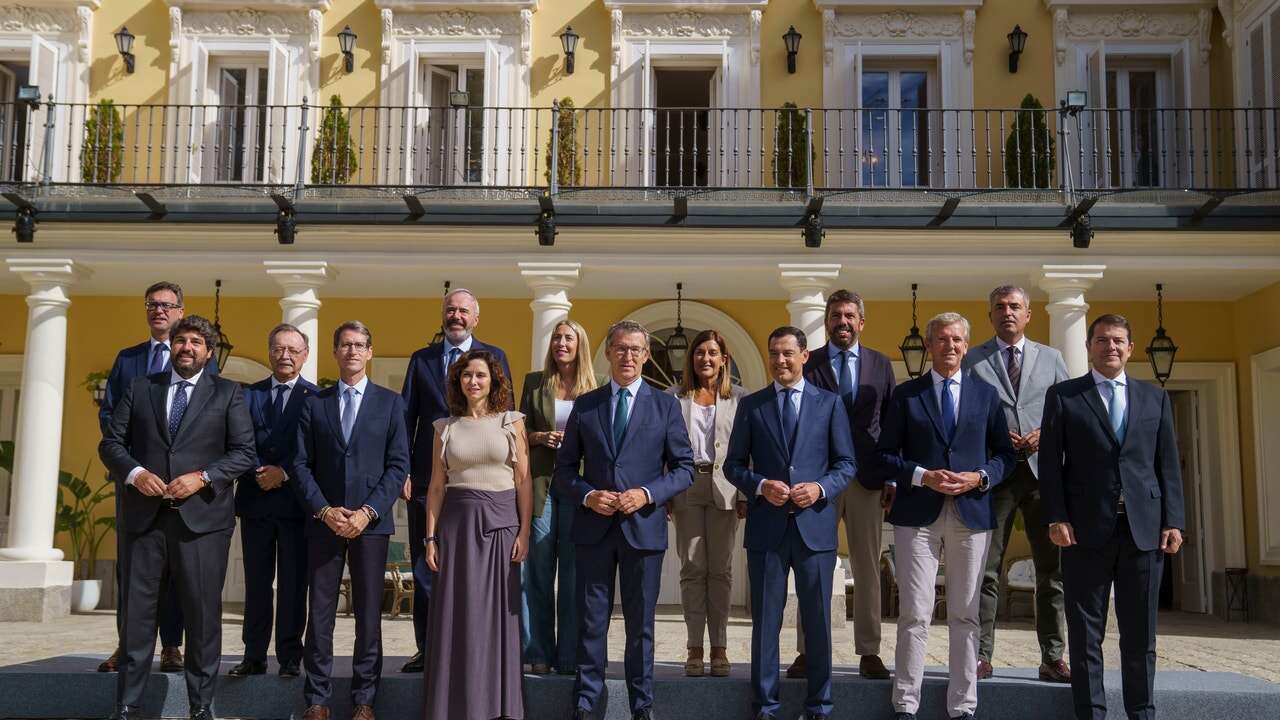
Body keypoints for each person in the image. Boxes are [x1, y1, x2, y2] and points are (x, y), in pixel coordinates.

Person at [99, 315, 256, 720]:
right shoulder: (141, 388)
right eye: (180, 341)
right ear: (172, 346)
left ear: (208, 351)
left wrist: (202, 478)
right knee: (137, 619)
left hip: (202, 523)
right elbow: (111, 444)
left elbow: (243, 453)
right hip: (144, 522)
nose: (187, 348)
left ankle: (201, 707)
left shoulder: (228, 393)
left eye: (196, 343)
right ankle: (127, 705)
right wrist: (136, 474)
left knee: (202, 619)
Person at [1039, 314, 1185, 720]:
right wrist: (1056, 516)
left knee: (1140, 636)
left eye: (1119, 340)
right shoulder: (1064, 396)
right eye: (1102, 340)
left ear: (1131, 348)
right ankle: (1092, 714)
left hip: (1144, 532)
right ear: (1089, 347)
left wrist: (1174, 520)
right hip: (1084, 533)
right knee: (1087, 635)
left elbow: (1167, 464)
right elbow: (1050, 464)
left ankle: (1142, 713)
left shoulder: (1154, 397)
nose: (1111, 347)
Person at [877, 312, 1016, 720]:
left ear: (966, 345)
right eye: (941, 339)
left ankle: (963, 706)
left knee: (965, 613)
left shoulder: (986, 395)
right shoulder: (907, 395)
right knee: (914, 613)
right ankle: (905, 704)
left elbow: (1005, 456)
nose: (949, 346)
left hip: (972, 515)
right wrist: (922, 476)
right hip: (917, 515)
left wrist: (979, 477)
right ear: (931, 345)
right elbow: (886, 454)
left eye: (956, 339)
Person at [554, 320, 694, 720]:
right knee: (591, 622)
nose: (628, 356)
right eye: (620, 349)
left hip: (643, 530)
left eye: (636, 350)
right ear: (608, 353)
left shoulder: (666, 405)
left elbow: (683, 468)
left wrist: (647, 494)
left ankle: (641, 705)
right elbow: (564, 472)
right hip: (594, 529)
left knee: (641, 627)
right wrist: (588, 495)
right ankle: (586, 703)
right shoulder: (587, 404)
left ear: (647, 356)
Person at [724, 326, 855, 720]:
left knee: (817, 623)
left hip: (815, 528)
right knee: (766, 624)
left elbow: (846, 464)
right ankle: (765, 706)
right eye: (774, 353)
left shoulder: (830, 404)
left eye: (787, 354)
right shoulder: (753, 405)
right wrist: (761, 486)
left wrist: (819, 488)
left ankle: (820, 705)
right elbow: (732, 465)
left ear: (803, 357)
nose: (779, 361)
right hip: (768, 529)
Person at [98, 281, 219, 674]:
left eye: (167, 305)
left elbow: (207, 416)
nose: (159, 310)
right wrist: (133, 469)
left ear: (181, 310)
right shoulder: (127, 359)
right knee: (132, 570)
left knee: (178, 570)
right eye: (152, 304)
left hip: (184, 488)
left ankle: (170, 646)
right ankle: (127, 646)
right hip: (137, 484)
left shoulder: (199, 359)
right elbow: (110, 416)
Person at [293, 322, 409, 720]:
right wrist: (324, 510)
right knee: (320, 613)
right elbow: (300, 464)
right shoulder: (314, 404)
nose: (353, 351)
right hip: (323, 523)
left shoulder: (391, 403)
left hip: (370, 525)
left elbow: (397, 467)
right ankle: (317, 699)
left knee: (368, 614)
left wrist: (366, 512)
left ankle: (364, 700)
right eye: (345, 345)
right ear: (335, 351)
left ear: (370, 352)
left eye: (360, 345)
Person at [400, 288, 512, 673]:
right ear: (442, 315)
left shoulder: (494, 358)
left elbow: (506, 415)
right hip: (427, 477)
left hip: (480, 482)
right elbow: (406, 420)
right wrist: (403, 471)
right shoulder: (421, 360)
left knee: (477, 567)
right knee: (425, 562)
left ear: (475, 318)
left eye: (464, 310)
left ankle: (473, 647)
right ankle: (429, 648)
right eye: (450, 310)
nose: (456, 316)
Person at [963, 285, 1071, 683]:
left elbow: (1067, 409)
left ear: (1028, 314)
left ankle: (1053, 657)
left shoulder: (1053, 357)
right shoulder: (973, 359)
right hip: (996, 475)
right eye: (1000, 307)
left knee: (1052, 571)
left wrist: (1047, 430)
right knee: (985, 570)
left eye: (1015, 307)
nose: (1007, 312)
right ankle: (980, 656)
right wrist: (994, 433)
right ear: (990, 315)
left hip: (1045, 474)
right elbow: (964, 413)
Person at [791, 290, 897, 681]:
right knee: (813, 564)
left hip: (868, 479)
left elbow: (889, 425)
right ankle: (808, 650)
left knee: (867, 566)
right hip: (819, 480)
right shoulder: (811, 362)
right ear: (827, 320)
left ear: (861, 322)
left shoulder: (881, 365)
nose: (843, 322)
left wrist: (890, 476)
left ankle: (869, 651)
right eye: (836, 315)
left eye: (850, 315)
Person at [424, 350, 532, 720]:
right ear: (458, 382)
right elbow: (436, 488)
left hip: (502, 529)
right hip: (455, 530)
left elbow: (523, 482)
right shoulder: (445, 427)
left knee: (499, 616)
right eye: (467, 375)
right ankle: (454, 705)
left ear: (494, 381)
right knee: (457, 616)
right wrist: (430, 538)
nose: (473, 381)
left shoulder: (511, 421)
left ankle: (499, 705)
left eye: (481, 375)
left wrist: (524, 531)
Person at [228, 323, 317, 679]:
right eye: (279, 349)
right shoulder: (247, 396)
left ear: (305, 355)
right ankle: (253, 656)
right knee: (257, 583)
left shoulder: (316, 398)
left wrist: (285, 472)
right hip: (256, 501)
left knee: (295, 585)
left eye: (293, 350)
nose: (286, 356)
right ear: (269, 352)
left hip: (296, 506)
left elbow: (316, 452)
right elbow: (235, 441)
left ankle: (291, 657)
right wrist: (257, 471)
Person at [519, 319, 600, 676]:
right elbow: (517, 432)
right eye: (556, 338)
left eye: (568, 338)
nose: (561, 343)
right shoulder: (535, 382)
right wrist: (540, 437)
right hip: (540, 485)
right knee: (537, 570)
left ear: (580, 344)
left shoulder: (594, 389)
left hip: (578, 487)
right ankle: (537, 650)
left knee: (572, 575)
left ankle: (568, 654)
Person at [666, 329, 747, 678]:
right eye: (700, 353)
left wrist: (745, 493)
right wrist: (666, 491)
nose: (706, 359)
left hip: (725, 487)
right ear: (692, 358)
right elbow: (662, 447)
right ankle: (694, 647)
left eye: (713, 352)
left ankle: (720, 648)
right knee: (692, 568)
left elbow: (748, 449)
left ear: (723, 358)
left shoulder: (740, 399)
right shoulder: (673, 397)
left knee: (721, 570)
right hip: (686, 485)